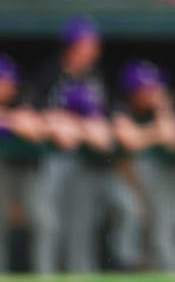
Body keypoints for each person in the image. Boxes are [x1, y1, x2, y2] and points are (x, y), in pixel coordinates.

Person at [30, 16, 106, 272]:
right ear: (73, 45)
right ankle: (45, 274)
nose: (94, 49)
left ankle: (80, 274)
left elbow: (103, 120)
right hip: (51, 160)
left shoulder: (95, 77)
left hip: (86, 161)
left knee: (81, 224)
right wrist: (57, 122)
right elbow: (35, 112)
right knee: (49, 223)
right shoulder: (50, 73)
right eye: (89, 43)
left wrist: (80, 127)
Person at [111, 60, 175, 271]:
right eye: (146, 89)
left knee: (163, 231)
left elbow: (174, 140)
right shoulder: (121, 107)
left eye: (154, 87)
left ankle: (169, 273)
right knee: (130, 218)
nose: (152, 92)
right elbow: (130, 141)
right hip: (124, 180)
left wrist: (162, 109)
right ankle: (126, 270)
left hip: (160, 182)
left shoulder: (159, 111)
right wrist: (156, 133)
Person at [60, 80, 139, 272]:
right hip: (78, 171)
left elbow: (113, 138)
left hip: (107, 171)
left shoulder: (109, 112)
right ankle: (81, 272)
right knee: (81, 226)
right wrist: (84, 129)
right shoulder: (67, 116)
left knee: (128, 209)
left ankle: (123, 264)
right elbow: (67, 138)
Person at [0, 53, 48, 272]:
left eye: (11, 82)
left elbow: (37, 129)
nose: (10, 86)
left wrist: (13, 119)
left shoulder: (23, 97)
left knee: (43, 223)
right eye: (5, 82)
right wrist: (12, 120)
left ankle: (44, 274)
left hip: (24, 167)